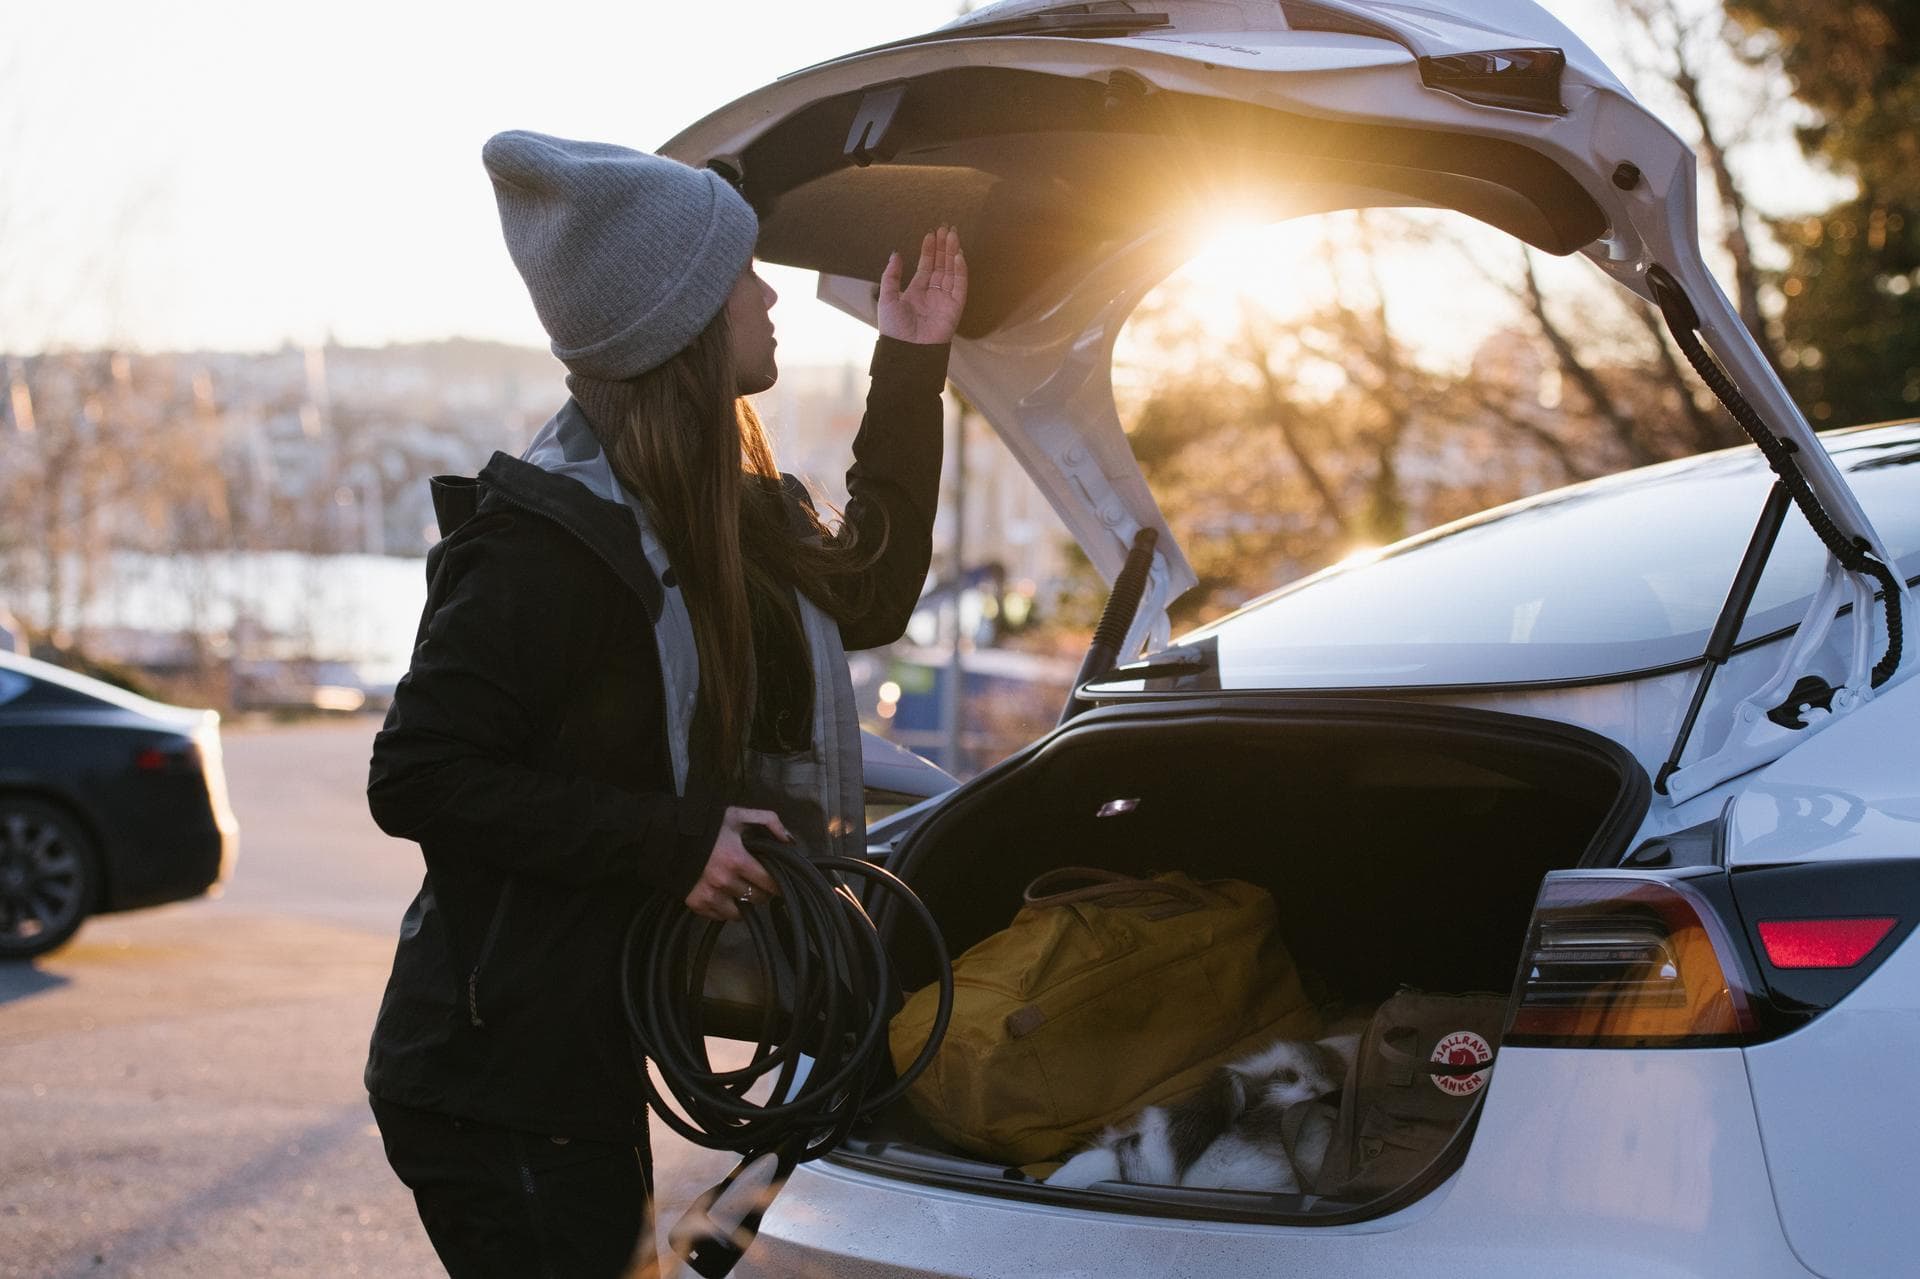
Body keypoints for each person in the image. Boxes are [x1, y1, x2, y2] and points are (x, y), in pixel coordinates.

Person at [362, 129, 965, 1278]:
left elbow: (869, 590)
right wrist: (671, 839)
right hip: (491, 1085)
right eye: (741, 271)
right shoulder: (542, 542)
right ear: (681, 315)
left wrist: (912, 361)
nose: (769, 289)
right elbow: (418, 774)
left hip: (576, 1063)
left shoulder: (723, 510)